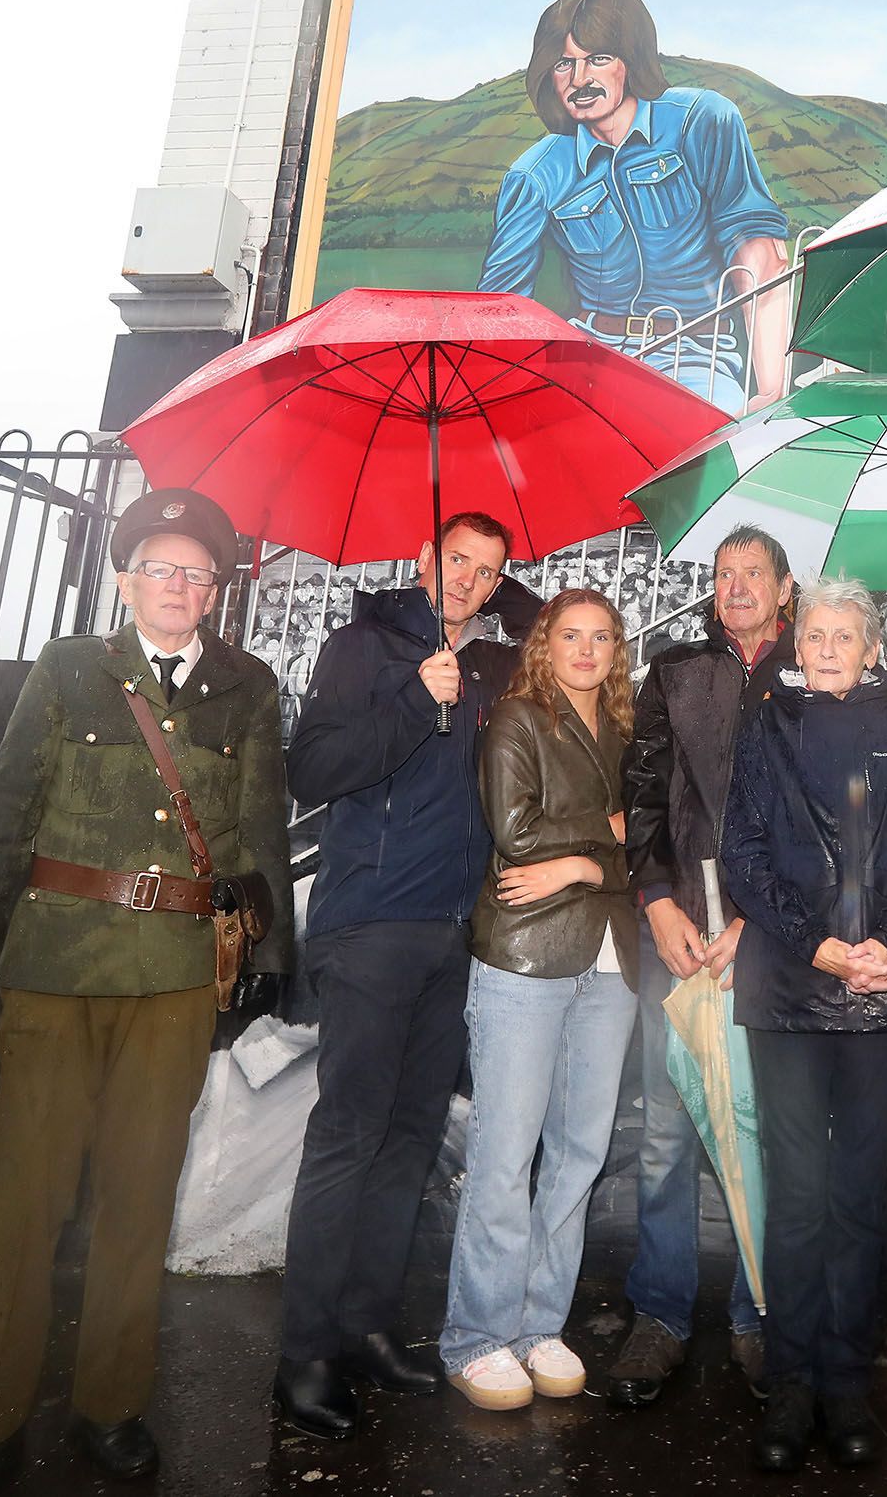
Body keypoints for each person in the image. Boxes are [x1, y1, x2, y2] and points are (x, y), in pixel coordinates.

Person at [0, 489, 290, 1496]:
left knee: (138, 1199)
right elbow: (5, 812)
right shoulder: (70, 668)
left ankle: (111, 1403)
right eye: (162, 569)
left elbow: (258, 827)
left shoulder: (247, 685)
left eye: (199, 575)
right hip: (51, 968)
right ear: (126, 579)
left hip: (173, 979)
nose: (180, 588)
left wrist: (268, 950)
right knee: (30, 1203)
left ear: (218, 590)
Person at [273, 512, 529, 1438]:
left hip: (450, 934)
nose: (467, 578)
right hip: (371, 925)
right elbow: (311, 769)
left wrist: (471, 652)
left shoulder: (488, 663)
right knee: (349, 1135)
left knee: (411, 1138)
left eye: (486, 570)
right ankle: (304, 1352)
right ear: (423, 555)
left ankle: (368, 1323)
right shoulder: (362, 645)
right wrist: (415, 701)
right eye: (455, 558)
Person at [720, 577, 887, 1473]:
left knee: (861, 1194)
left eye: (843, 635)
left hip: (884, 993)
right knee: (799, 1194)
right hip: (788, 987)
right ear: (795, 644)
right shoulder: (762, 729)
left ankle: (847, 1380)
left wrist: (885, 943)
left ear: (869, 648)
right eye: (812, 632)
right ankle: (791, 1382)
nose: (825, 646)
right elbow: (740, 851)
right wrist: (817, 944)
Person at [437, 590, 641, 1410]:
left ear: (617, 648)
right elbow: (516, 833)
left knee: (581, 1150)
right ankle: (477, 1335)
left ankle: (537, 1322)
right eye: (571, 636)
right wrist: (603, 845)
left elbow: (653, 837)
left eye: (601, 637)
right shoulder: (518, 719)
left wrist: (584, 866)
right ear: (544, 645)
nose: (586, 650)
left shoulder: (626, 733)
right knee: (505, 1148)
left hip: (609, 957)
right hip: (526, 954)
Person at [611, 527, 795, 1405]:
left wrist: (764, 920)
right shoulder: (674, 670)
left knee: (759, 1124)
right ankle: (661, 1315)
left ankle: (761, 1311)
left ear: (785, 587)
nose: (735, 586)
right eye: (723, 575)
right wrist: (656, 898)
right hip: (680, 933)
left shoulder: (811, 670)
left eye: (752, 572)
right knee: (666, 1132)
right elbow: (641, 791)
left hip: (772, 942)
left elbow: (828, 820)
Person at [478, 0, 792, 409]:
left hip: (695, 356)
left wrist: (773, 390)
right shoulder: (534, 174)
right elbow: (500, 313)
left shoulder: (700, 121)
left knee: (712, 455)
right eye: (563, 64)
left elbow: (758, 255)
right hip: (585, 363)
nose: (580, 79)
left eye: (598, 59)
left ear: (631, 58)